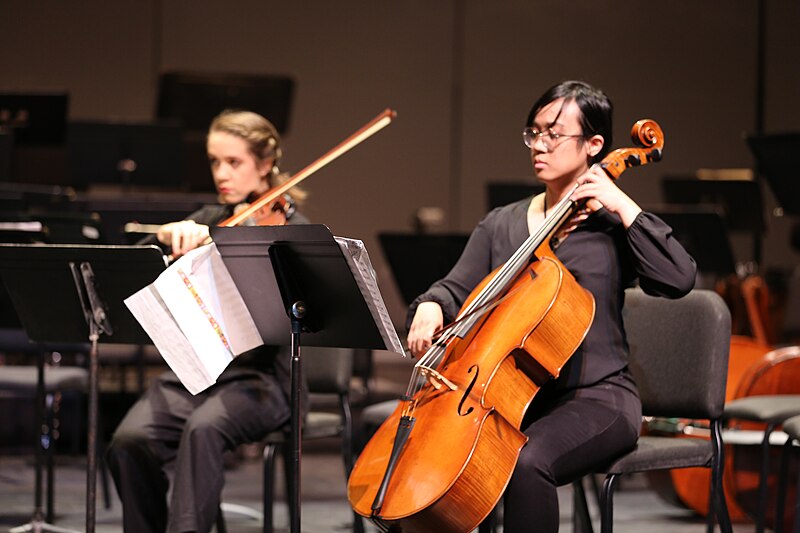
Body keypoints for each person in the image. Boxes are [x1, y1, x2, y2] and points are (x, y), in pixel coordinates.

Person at [405, 80, 697, 532]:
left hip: (598, 398)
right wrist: (431, 306)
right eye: (534, 132)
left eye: (554, 134)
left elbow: (678, 279)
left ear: (594, 145)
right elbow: (455, 286)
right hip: (516, 398)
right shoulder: (502, 223)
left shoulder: (609, 227)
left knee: (524, 461)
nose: (539, 145)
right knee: (428, 456)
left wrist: (621, 204)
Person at [107, 109, 308, 533]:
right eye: (215, 161)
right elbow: (135, 259)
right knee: (129, 441)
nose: (222, 173)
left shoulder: (292, 228)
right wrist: (165, 237)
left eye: (233, 162)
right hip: (201, 374)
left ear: (266, 163)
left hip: (267, 380)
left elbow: (307, 309)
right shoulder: (209, 218)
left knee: (204, 429)